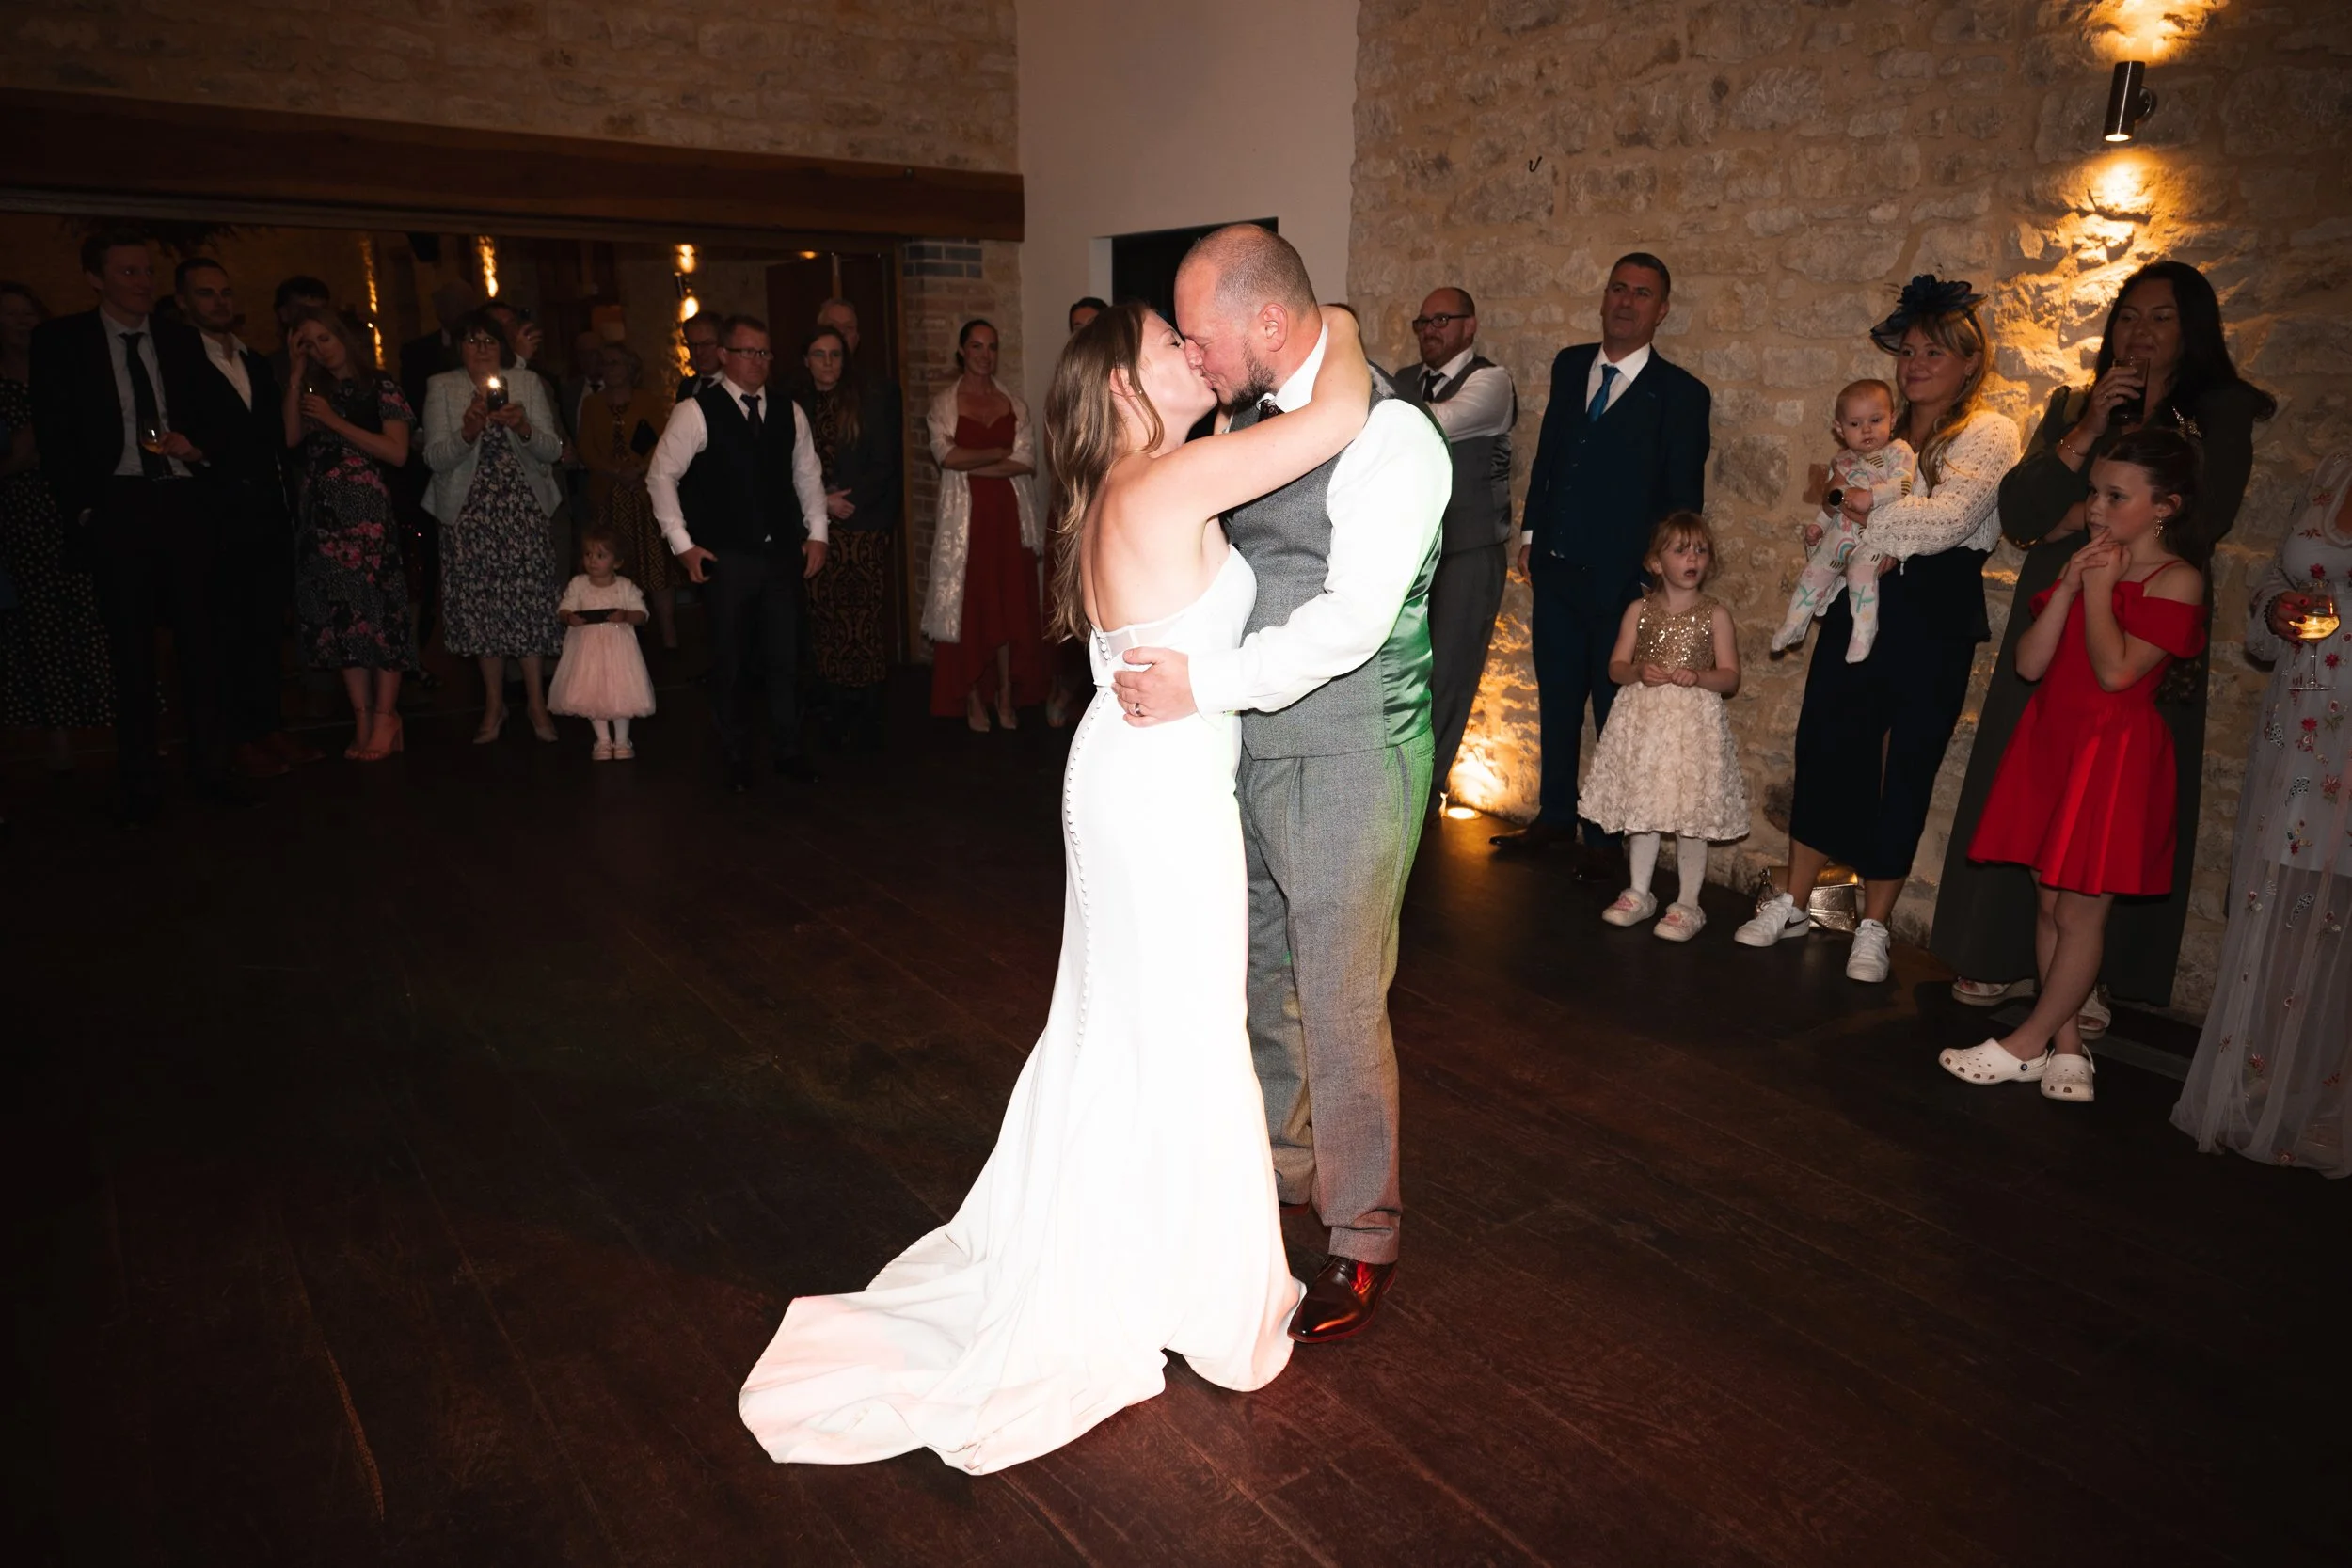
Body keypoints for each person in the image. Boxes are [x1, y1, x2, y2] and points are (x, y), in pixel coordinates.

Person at [739, 298, 1379, 1474]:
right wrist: (1323, 312)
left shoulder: (1148, 477)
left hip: (1147, 778)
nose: (1195, 353)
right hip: (1153, 798)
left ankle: (1157, 1255)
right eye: (1168, 346)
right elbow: (1339, 406)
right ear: (1126, 393)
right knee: (1176, 1032)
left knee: (1142, 1030)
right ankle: (1178, 1282)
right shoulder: (1157, 485)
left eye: (1195, 339)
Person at [1112, 224, 1451, 1343]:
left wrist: (1204, 683)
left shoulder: (1395, 439)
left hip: (1353, 749)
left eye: (1201, 335)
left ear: (1264, 322)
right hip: (1252, 751)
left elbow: (1350, 625)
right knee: (1264, 976)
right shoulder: (1267, 419)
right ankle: (1277, 1176)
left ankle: (1363, 1235)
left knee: (1346, 1001)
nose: (1195, 358)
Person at [1933, 261, 2275, 1023]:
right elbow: (2024, 512)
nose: (2140, 333)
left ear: (2191, 329)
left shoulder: (2215, 411)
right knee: (2030, 792)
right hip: (2060, 602)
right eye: (2128, 317)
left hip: (2141, 616)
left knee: (2111, 811)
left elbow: (2204, 518)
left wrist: (2079, 519)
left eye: (2159, 318)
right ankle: (1998, 957)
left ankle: (2088, 985)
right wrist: (2090, 429)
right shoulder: (2073, 405)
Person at [1733, 276, 2021, 982]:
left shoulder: (1989, 431)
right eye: (1908, 350)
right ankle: (1793, 900)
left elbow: (1950, 521)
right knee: (1826, 741)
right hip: (1861, 604)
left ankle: (1874, 922)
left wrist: (1861, 512)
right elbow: (1839, 508)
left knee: (1906, 763)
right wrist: (1846, 514)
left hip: (1936, 608)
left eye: (1934, 352)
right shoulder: (1880, 429)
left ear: (1968, 362)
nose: (1915, 363)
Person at [1940, 430, 2207, 1103]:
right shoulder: (2085, 561)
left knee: (2083, 912)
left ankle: (2024, 1041)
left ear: (2164, 508)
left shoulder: (2177, 578)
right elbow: (2031, 663)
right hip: (2053, 739)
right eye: (2094, 491)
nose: (2095, 507)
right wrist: (2067, 583)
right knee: (2050, 898)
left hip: (2111, 753)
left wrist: (2098, 588)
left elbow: (2118, 671)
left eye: (2117, 496)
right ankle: (2065, 1050)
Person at [1495, 254, 1711, 877]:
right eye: (1618, 287)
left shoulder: (1682, 395)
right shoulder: (1570, 366)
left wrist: (1659, 580)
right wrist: (1533, 532)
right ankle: (1556, 815)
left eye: (1642, 293)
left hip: (1624, 585)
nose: (1626, 301)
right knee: (1557, 697)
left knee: (1615, 707)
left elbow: (1681, 498)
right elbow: (1551, 453)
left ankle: (1605, 832)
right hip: (1557, 570)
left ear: (1661, 310)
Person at [2171, 450, 2351, 1173]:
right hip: (2303, 722)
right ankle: (2266, 1094)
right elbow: (2282, 575)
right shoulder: (2335, 467)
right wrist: (2276, 608)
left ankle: (2327, 1112)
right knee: (2282, 898)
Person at [28, 230, 239, 819]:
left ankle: (211, 769)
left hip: (180, 498)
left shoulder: (178, 340)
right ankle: (140, 778)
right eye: (127, 272)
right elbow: (55, 433)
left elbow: (219, 424)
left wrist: (196, 450)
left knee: (201, 642)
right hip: (118, 503)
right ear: (96, 279)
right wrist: (87, 509)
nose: (142, 282)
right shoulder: (63, 341)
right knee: (132, 649)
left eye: (146, 271)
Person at [645, 312, 830, 791]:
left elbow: (807, 475)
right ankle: (735, 755)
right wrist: (682, 545)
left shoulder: (789, 410)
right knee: (731, 659)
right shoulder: (697, 411)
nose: (757, 362)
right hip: (727, 556)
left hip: (782, 554)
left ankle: (788, 750)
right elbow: (660, 475)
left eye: (764, 352)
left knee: (786, 656)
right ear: (724, 356)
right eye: (747, 352)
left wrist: (818, 533)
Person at [176, 258, 317, 779]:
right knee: (224, 631)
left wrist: (295, 379)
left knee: (262, 627)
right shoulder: (176, 360)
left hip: (263, 511)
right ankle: (234, 736)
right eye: (207, 294)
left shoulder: (255, 362)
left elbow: (275, 438)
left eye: (225, 293)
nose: (220, 303)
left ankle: (268, 727)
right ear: (185, 302)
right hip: (212, 513)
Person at [1580, 512, 1747, 941]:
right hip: (1647, 720)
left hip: (1692, 725)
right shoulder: (1639, 610)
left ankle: (1688, 903)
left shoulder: (1716, 615)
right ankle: (1639, 891)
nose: (1693, 558)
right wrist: (1639, 671)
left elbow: (1730, 676)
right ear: (1656, 563)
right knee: (1646, 804)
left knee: (1689, 808)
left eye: (1701, 550)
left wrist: (1701, 677)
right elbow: (1615, 667)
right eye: (1681, 550)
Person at [422, 309, 565, 743]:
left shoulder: (525, 383)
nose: (481, 349)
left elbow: (553, 451)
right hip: (469, 513)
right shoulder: (441, 386)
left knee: (528, 606)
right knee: (483, 612)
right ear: (459, 347)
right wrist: (467, 432)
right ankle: (493, 705)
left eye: (489, 341)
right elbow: (433, 459)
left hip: (521, 507)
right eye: (472, 341)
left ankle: (538, 706)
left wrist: (522, 427)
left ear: (502, 347)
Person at [281, 303, 414, 762]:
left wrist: (336, 421)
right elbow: (291, 438)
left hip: (365, 514)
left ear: (344, 337)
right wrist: (296, 376)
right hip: (321, 514)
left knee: (379, 615)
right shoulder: (312, 387)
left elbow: (397, 453)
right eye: (308, 342)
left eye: (325, 338)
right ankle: (362, 719)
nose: (319, 348)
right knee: (343, 619)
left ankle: (387, 717)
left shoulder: (379, 385)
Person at [1397, 285, 1516, 798]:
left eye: (1442, 320)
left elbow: (1439, 423)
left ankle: (1428, 790)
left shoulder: (1491, 381)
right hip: (1407, 549)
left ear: (1470, 325)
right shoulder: (1403, 380)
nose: (1430, 330)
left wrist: (1382, 414)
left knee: (1448, 676)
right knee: (1403, 673)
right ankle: (1398, 785)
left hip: (1468, 548)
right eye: (1423, 322)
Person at [0, 280, 113, 771]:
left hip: (74, 509)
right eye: (11, 315)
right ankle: (59, 740)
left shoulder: (64, 377)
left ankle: (120, 728)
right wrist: (16, 459)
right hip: (22, 517)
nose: (24, 322)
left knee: (98, 618)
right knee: (40, 626)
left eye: (29, 312)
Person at [922, 319, 1046, 729]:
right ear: (961, 351)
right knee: (974, 608)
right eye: (975, 347)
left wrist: (973, 460)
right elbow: (946, 457)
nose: (984, 355)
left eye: (991, 347)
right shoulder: (943, 403)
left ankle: (1006, 694)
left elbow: (1025, 461)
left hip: (1010, 521)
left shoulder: (1014, 402)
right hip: (966, 523)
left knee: (1009, 606)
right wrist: (996, 451)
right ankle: (974, 696)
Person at [792, 325, 900, 750]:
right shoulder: (793, 405)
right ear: (805, 360)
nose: (828, 363)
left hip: (861, 526)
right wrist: (821, 501)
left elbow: (883, 464)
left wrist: (841, 501)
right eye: (819, 355)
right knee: (825, 619)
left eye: (835, 354)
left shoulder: (867, 401)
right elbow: (788, 468)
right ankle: (834, 707)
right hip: (814, 529)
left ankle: (869, 711)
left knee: (863, 622)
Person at [1771, 379, 1916, 662]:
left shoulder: (1897, 451)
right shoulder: (1841, 462)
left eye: (1876, 420)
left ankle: (1863, 633)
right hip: (1840, 534)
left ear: (1893, 419)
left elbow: (1903, 485)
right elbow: (1831, 505)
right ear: (1839, 429)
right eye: (1855, 424)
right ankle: (1794, 623)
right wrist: (1819, 525)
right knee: (1814, 572)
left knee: (1860, 575)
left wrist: (1871, 496)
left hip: (1873, 538)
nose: (1867, 430)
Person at [396, 281, 484, 676]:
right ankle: (433, 650)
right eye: (445, 303)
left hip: (483, 482)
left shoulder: (494, 359)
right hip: (439, 470)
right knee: (435, 568)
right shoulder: (418, 353)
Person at [574, 343, 677, 648]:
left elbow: (664, 441)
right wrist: (612, 470)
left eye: (617, 363)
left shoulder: (648, 402)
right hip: (608, 494)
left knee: (655, 563)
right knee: (612, 562)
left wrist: (641, 468)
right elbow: (586, 448)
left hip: (643, 494)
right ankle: (620, 635)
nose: (611, 369)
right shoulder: (592, 405)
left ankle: (669, 634)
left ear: (631, 368)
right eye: (605, 363)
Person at [548, 524, 655, 760]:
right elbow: (564, 608)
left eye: (600, 555)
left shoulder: (624, 587)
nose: (592, 561)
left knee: (620, 693)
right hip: (587, 653)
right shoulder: (578, 584)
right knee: (592, 693)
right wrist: (569, 617)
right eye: (588, 554)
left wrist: (626, 616)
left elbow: (642, 614)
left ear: (616, 562)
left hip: (619, 653)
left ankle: (622, 739)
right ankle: (603, 740)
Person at [676, 314, 722, 403]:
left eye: (706, 344)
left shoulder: (735, 387)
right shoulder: (686, 387)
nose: (698, 352)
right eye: (692, 345)